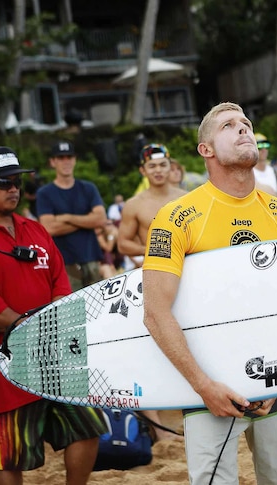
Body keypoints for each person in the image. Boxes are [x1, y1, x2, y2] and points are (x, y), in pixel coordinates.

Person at [142, 102, 277, 484]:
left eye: (246, 123)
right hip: (208, 387)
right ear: (206, 150)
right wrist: (203, 385)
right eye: (229, 125)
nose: (243, 129)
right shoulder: (176, 217)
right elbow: (155, 312)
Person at [0, 146, 106, 483]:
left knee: (88, 428)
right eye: (3, 182)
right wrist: (38, 328)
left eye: (17, 181)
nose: (13, 189)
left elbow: (60, 283)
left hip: (54, 356)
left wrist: (57, 321)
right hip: (1, 364)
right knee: (9, 457)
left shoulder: (34, 229)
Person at [117, 143, 187, 442]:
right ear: (143, 171)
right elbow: (122, 243)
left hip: (187, 279)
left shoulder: (188, 199)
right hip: (152, 279)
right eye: (152, 166)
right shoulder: (135, 204)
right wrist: (158, 253)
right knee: (150, 345)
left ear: (170, 167)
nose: (158, 171)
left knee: (189, 339)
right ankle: (158, 428)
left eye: (162, 165)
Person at [37, 140, 108, 291]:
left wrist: (66, 217)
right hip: (63, 261)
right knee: (72, 308)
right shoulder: (45, 193)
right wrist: (87, 219)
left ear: (75, 160)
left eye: (69, 157)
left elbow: (101, 219)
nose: (66, 162)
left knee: (97, 306)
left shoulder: (88, 188)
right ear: (52, 161)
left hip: (91, 257)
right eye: (61, 158)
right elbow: (49, 227)